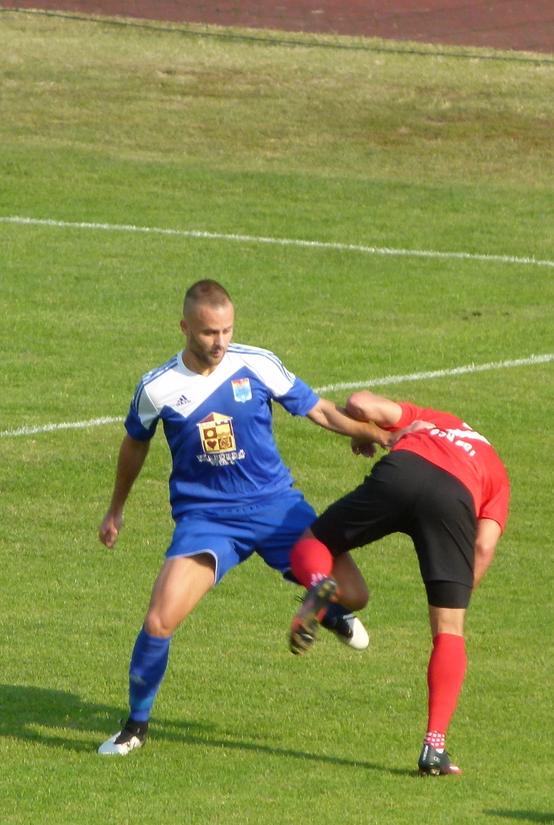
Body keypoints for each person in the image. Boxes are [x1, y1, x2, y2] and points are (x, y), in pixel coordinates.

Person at [96, 280, 388, 756]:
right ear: (185, 327)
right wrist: (116, 509)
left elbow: (319, 409)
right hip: (207, 519)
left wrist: (374, 433)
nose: (220, 342)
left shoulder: (257, 364)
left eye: (227, 331)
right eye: (209, 333)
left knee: (356, 594)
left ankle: (326, 609)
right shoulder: (158, 387)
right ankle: (135, 727)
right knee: (159, 620)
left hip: (277, 508)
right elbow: (135, 444)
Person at [286, 390, 511, 776]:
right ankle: (434, 747)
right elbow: (485, 544)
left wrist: (365, 433)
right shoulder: (498, 474)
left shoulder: (437, 418)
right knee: (449, 629)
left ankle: (320, 586)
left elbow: (359, 403)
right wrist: (458, 590)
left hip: (402, 471)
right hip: (454, 498)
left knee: (315, 543)